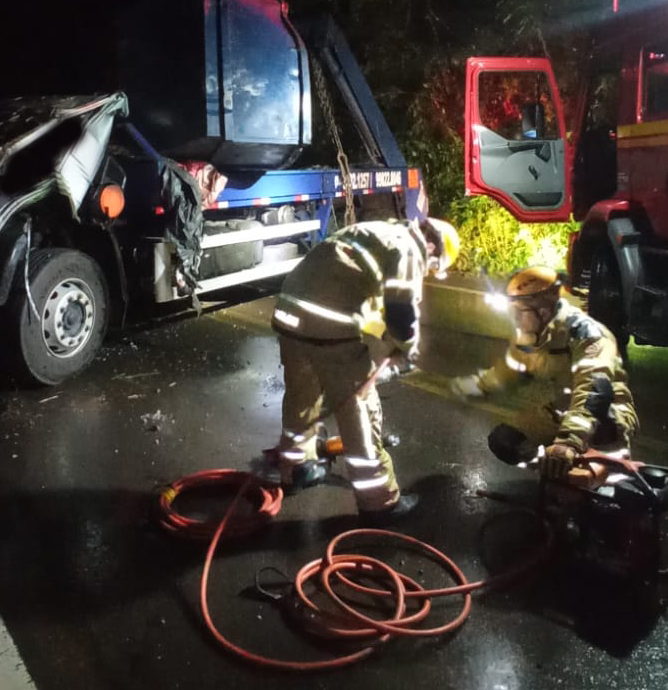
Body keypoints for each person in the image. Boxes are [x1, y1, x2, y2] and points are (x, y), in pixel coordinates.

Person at [272, 216, 460, 518]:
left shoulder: (376, 232)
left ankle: (297, 468)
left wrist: (384, 340)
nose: (427, 271)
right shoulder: (409, 249)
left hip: (288, 316)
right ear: (431, 247)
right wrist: (408, 349)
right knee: (359, 409)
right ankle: (379, 502)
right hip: (328, 325)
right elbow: (401, 312)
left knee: (301, 397)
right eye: (433, 266)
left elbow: (357, 291)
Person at [452, 265, 637, 477]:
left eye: (519, 311)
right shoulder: (529, 336)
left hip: (606, 413)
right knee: (504, 440)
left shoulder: (588, 336)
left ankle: (594, 474)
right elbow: (511, 370)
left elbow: (594, 394)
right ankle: (560, 475)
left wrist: (568, 443)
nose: (515, 319)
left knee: (597, 450)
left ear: (543, 311)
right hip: (561, 411)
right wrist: (480, 387)